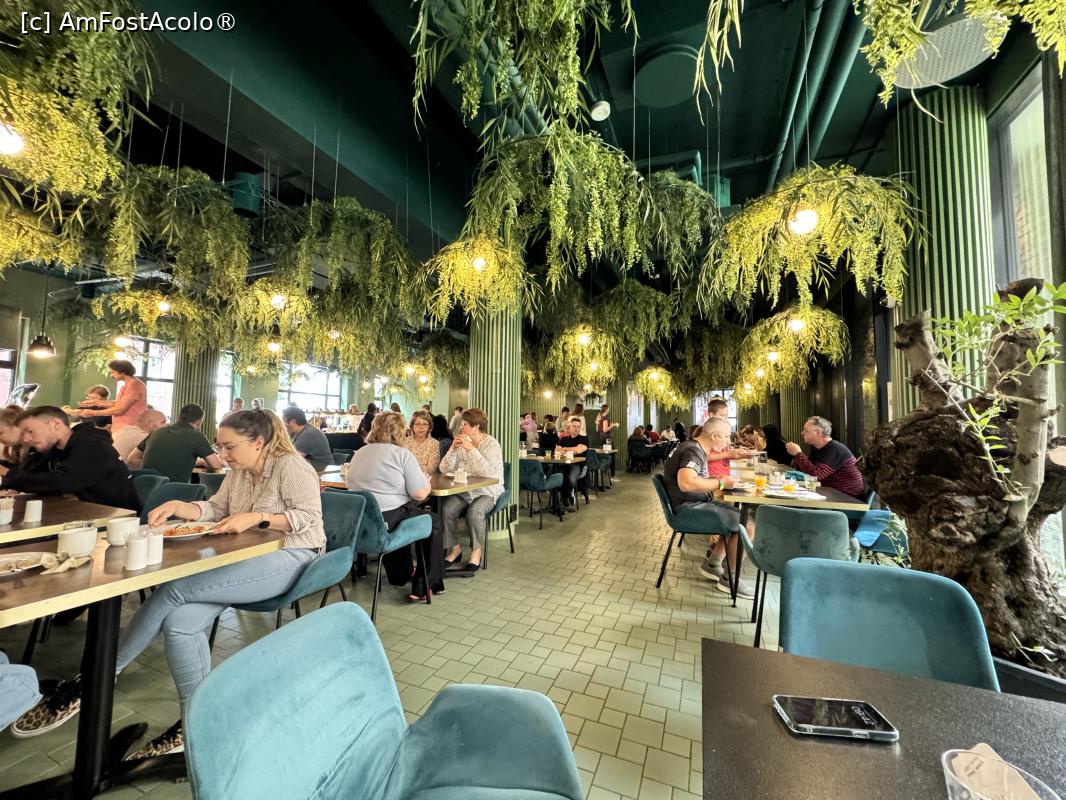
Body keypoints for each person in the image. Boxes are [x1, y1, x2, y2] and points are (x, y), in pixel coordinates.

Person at [13, 409, 326, 751]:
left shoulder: (290, 466)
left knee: (176, 588)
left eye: (229, 447)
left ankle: (96, 676)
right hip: (243, 557)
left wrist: (258, 517)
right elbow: (216, 510)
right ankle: (194, 722)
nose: (222, 455)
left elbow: (309, 518)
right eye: (220, 446)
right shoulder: (238, 472)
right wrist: (180, 506)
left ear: (258, 442)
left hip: (294, 554)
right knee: (179, 624)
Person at [347, 412, 444, 600]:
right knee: (433, 522)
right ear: (400, 431)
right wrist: (427, 483)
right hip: (389, 519)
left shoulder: (360, 453)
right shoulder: (402, 454)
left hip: (361, 520)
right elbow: (419, 493)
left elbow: (350, 483)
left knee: (404, 515)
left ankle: (401, 575)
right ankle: (424, 585)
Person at [662, 416, 757, 598]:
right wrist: (721, 483)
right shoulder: (693, 451)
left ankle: (713, 563)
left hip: (689, 505)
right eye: (726, 437)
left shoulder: (692, 447)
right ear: (714, 436)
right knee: (747, 524)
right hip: (688, 509)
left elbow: (693, 479)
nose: (728, 442)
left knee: (737, 519)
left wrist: (720, 479)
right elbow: (686, 483)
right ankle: (730, 579)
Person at [0, 406, 138, 509]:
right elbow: (32, 476)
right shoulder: (52, 450)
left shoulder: (93, 446)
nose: (26, 439)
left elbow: (61, 482)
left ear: (56, 424)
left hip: (113, 521)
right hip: (78, 515)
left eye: (30, 431)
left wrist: (7, 474)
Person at [440, 408, 504, 573]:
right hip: (466, 490)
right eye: (461, 424)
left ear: (476, 427)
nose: (461, 427)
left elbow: (490, 473)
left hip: (488, 491)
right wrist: (453, 449)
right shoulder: (462, 443)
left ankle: (476, 551)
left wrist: (471, 449)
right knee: (446, 509)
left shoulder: (491, 444)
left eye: (465, 424)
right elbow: (444, 469)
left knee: (474, 512)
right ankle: (454, 549)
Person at [130, 404, 223, 482]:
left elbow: (131, 458)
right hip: (173, 491)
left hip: (144, 488)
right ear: (199, 422)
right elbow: (216, 465)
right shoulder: (197, 436)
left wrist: (154, 466)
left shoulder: (156, 432)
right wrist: (203, 463)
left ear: (179, 417)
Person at [786, 416, 865, 499]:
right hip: (833, 495)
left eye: (806, 430)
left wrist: (798, 453)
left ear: (818, 432)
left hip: (848, 500)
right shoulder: (820, 449)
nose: (802, 433)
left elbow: (816, 476)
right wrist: (796, 455)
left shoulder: (834, 449)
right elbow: (808, 471)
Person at [75, 360, 148, 432]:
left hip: (129, 428)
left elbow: (120, 409)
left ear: (122, 372)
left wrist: (93, 413)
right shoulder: (128, 384)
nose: (111, 376)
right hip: (123, 428)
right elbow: (119, 403)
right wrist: (94, 403)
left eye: (112, 372)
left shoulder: (134, 385)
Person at [282, 407, 333, 471]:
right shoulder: (295, 433)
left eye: (284, 421)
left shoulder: (309, 434)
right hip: (310, 469)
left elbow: (292, 458)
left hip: (322, 472)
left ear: (293, 421)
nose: (283, 424)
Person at [557, 416, 589, 509]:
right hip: (564, 464)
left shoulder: (584, 439)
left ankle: (565, 495)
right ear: (570, 427)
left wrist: (564, 449)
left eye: (578, 427)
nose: (576, 429)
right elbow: (557, 451)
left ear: (580, 427)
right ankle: (563, 496)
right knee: (556, 475)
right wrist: (573, 449)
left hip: (578, 465)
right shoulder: (563, 439)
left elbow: (579, 451)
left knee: (570, 477)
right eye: (574, 426)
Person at [404, 410, 440, 477]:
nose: (421, 427)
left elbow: (431, 469)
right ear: (412, 426)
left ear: (429, 426)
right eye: (417, 424)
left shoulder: (434, 444)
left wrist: (409, 466)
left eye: (425, 424)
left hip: (426, 480)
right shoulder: (404, 442)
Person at [0, 405, 26, 474]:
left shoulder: (36, 450)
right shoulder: (17, 450)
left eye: (0, 433)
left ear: (16, 426)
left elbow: (28, 478)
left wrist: (4, 471)